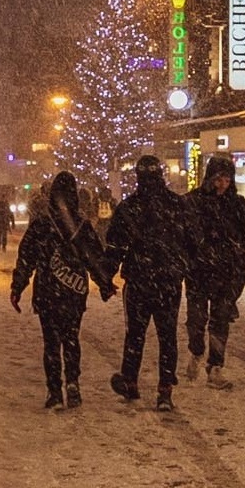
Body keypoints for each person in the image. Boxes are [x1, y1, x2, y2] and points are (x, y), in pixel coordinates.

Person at [10, 171, 113, 409]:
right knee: (71, 339)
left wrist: (18, 286)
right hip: (74, 291)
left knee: (51, 342)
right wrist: (105, 283)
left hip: (47, 292)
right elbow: (94, 258)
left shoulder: (41, 226)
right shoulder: (81, 225)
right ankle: (73, 383)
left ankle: (54, 390)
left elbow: (26, 258)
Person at [105, 155, 192, 411]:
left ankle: (131, 381)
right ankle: (165, 389)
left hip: (140, 281)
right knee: (167, 337)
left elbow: (115, 246)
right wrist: (183, 268)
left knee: (135, 335)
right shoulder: (176, 205)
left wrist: (106, 276)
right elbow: (191, 243)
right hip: (167, 281)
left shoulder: (129, 208)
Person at [182, 156, 245, 389]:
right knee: (196, 320)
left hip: (227, 273)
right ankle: (196, 351)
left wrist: (242, 263)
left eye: (226, 179)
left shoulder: (237, 204)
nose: (222, 184)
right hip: (199, 273)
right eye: (218, 178)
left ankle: (216, 366)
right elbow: (186, 236)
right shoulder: (193, 202)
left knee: (221, 321)